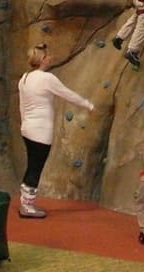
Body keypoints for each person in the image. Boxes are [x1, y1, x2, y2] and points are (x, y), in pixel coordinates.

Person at [17, 42, 94, 219]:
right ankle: (27, 205)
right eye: (47, 56)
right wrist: (88, 104)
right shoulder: (46, 79)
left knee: (31, 165)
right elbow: (67, 94)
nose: (50, 58)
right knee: (36, 167)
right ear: (42, 60)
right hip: (40, 131)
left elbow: (22, 105)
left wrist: (24, 123)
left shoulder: (24, 79)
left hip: (28, 129)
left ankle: (25, 201)